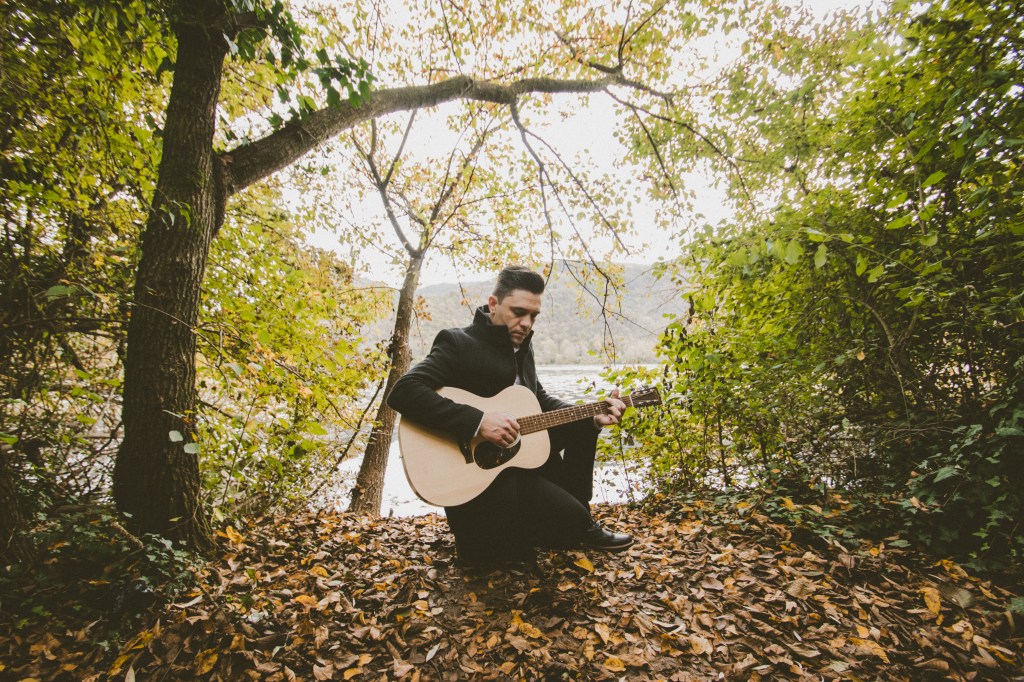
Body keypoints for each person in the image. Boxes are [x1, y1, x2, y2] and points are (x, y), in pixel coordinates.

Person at [387, 265, 634, 564]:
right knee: (564, 525)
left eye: (533, 316)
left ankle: (577, 519)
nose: (526, 323)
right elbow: (405, 390)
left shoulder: (523, 350)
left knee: (582, 434)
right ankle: (551, 525)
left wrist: (592, 415)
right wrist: (478, 422)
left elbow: (538, 400)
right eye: (518, 312)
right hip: (481, 478)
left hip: (517, 464)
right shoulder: (458, 343)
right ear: (493, 304)